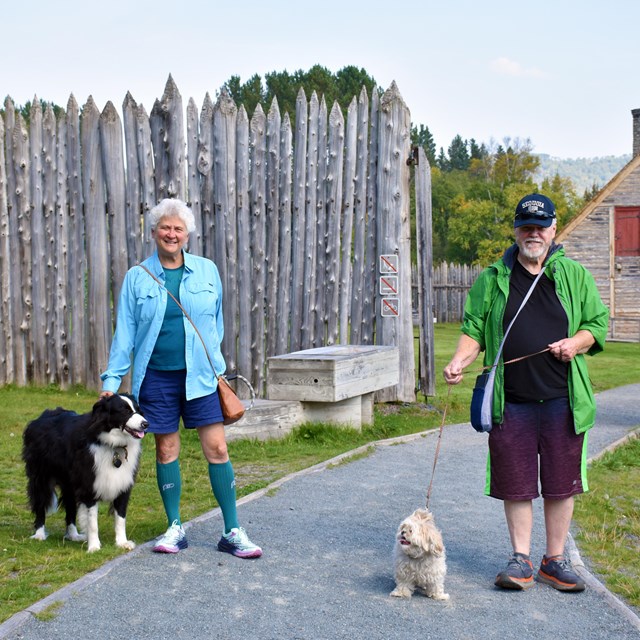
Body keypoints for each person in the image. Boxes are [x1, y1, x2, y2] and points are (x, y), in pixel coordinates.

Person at [443, 193, 608, 592]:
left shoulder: (573, 275)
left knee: (560, 481)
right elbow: (474, 328)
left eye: (541, 226)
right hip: (510, 399)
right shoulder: (492, 277)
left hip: (562, 399)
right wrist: (461, 360)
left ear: (554, 229)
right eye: (526, 226)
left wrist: (576, 342)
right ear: (516, 230)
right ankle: (520, 559)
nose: (533, 233)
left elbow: (598, 324)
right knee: (515, 482)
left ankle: (555, 560)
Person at [100, 198, 262, 559]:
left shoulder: (207, 271)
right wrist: (112, 379)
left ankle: (232, 530)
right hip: (156, 378)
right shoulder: (137, 276)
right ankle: (174, 526)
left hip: (201, 377)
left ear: (187, 234)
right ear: (154, 232)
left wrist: (216, 364)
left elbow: (216, 324)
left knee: (217, 448)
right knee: (166, 448)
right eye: (165, 228)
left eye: (178, 229)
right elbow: (124, 334)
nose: (171, 234)